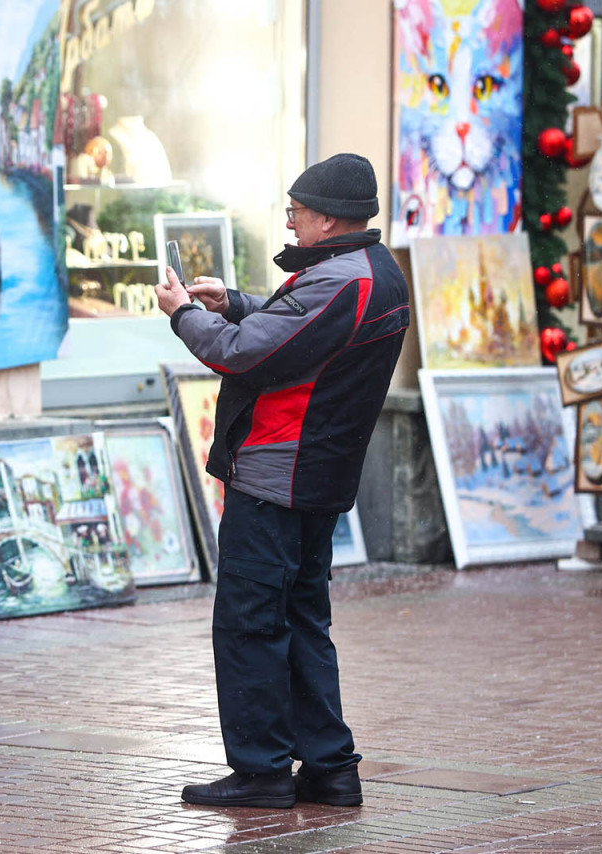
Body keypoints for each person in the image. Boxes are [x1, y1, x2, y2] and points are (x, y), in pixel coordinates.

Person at [155, 153, 410, 809]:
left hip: (278, 472)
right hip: (312, 476)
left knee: (250, 623)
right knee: (299, 620)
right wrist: (235, 302)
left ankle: (262, 769)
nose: (290, 221)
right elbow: (294, 331)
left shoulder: (341, 281)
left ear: (328, 217)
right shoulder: (372, 271)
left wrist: (186, 313)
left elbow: (246, 352)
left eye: (296, 210)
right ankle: (329, 767)